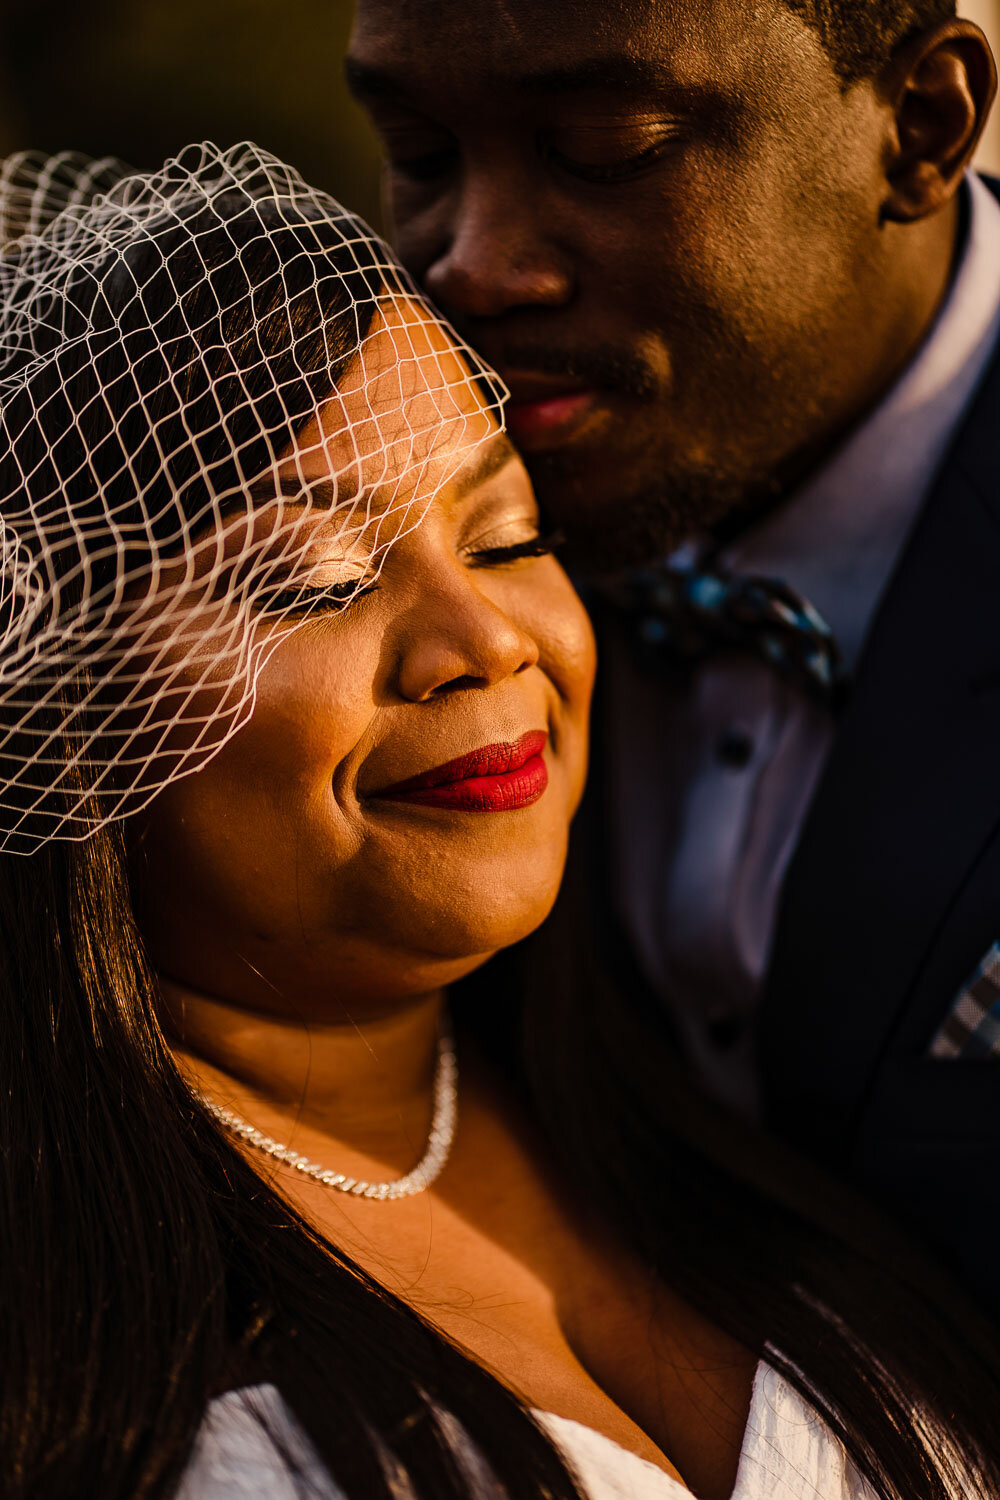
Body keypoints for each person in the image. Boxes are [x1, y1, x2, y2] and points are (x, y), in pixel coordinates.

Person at [0, 144, 997, 1500]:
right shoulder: (77, 1368)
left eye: (507, 537)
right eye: (314, 578)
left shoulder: (686, 1103)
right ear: (58, 706)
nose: (479, 644)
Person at [344, 0, 1000, 1304]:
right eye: (419, 152)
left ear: (920, 126)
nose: (470, 267)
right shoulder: (385, 567)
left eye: (605, 146)